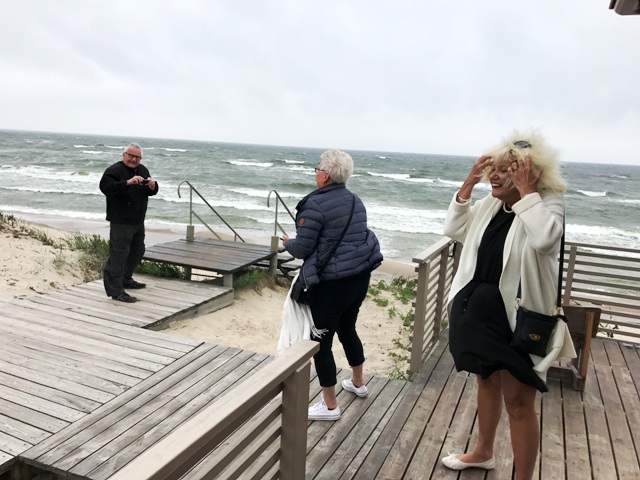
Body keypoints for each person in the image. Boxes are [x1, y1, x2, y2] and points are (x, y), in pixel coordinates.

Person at [440, 130, 576, 479]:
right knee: (485, 381)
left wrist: (528, 193)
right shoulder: (491, 204)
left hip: (519, 317)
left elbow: (545, 240)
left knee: (518, 402)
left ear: (530, 172)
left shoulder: (547, 203)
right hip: (479, 312)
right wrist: (467, 186)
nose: (495, 176)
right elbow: (454, 229)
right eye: (493, 169)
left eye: (507, 170)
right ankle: (483, 452)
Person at [282, 149, 383, 421]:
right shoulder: (355, 201)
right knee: (348, 329)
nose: (316, 173)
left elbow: (303, 249)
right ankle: (358, 383)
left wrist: (288, 243)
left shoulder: (314, 205)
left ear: (325, 175)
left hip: (331, 286)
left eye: (317, 169)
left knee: (321, 342)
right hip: (358, 278)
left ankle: (330, 406)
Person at [100, 143, 158, 303]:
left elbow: (151, 191)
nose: (133, 159)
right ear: (124, 155)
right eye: (131, 156)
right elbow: (105, 188)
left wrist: (153, 186)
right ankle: (116, 291)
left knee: (137, 251)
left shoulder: (143, 170)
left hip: (138, 220)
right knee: (118, 255)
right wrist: (127, 183)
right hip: (120, 221)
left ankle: (126, 279)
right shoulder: (114, 171)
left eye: (137, 157)